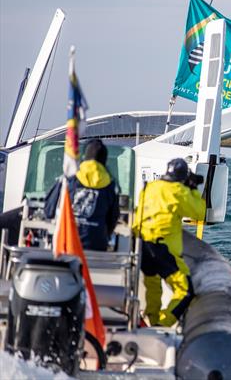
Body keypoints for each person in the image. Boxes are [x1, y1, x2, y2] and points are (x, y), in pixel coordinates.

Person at [133, 158, 205, 327]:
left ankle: (152, 321)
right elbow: (200, 212)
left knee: (153, 287)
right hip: (163, 249)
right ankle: (163, 325)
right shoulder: (178, 191)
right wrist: (193, 189)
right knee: (186, 291)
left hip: (141, 244)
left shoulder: (150, 187)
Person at [44, 138, 120, 251]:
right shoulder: (110, 186)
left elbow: (49, 211)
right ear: (104, 160)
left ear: (84, 157)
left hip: (67, 245)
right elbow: (113, 219)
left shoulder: (68, 180)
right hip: (96, 248)